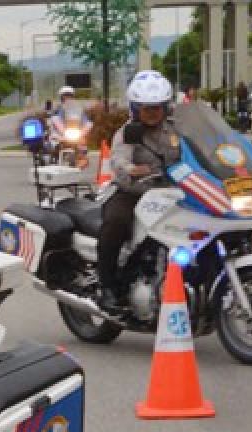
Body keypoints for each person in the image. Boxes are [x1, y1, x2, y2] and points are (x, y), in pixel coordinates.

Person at [97, 70, 181, 308]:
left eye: (157, 107)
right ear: (135, 108)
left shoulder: (176, 130)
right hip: (133, 191)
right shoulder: (128, 132)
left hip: (171, 192)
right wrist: (131, 169)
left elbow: (199, 149)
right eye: (147, 108)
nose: (153, 113)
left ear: (166, 107)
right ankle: (107, 287)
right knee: (116, 222)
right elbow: (118, 159)